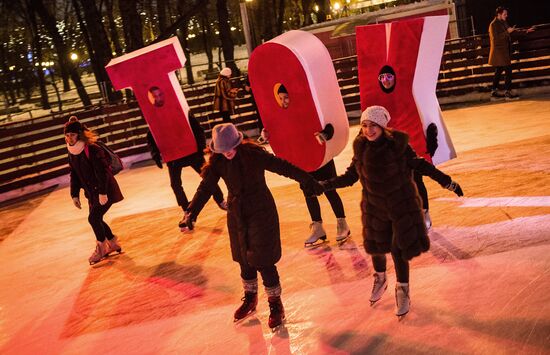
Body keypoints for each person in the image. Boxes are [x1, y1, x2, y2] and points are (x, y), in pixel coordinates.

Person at [318, 106, 463, 318]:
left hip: (400, 206)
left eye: (373, 126)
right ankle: (380, 278)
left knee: (397, 249)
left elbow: (422, 166)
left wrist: (447, 182)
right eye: (365, 125)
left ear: (383, 126)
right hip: (374, 208)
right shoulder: (362, 148)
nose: (368, 130)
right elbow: (350, 177)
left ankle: (403, 289)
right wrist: (323, 185)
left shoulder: (398, 147)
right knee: (376, 248)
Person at [180, 123, 323, 329]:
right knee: (243, 259)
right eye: (222, 149)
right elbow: (205, 188)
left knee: (263, 259)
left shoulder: (253, 155)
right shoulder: (219, 161)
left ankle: (275, 304)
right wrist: (191, 213)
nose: (227, 152)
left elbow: (283, 166)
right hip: (237, 214)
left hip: (260, 210)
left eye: (230, 147)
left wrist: (308, 180)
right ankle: (250, 298)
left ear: (238, 142)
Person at [147, 112, 227, 229]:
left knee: (208, 177)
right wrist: (155, 155)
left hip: (193, 153)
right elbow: (151, 138)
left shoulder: (182, 112)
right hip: (174, 157)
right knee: (175, 185)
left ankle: (220, 200)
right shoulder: (156, 120)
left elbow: (198, 129)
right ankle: (187, 211)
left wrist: (200, 147)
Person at [65, 116, 124, 265]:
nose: (69, 138)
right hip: (92, 193)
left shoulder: (92, 148)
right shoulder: (72, 152)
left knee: (93, 218)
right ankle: (112, 242)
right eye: (66, 135)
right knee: (97, 218)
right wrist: (74, 194)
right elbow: (74, 174)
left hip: (105, 190)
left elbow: (103, 172)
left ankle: (101, 247)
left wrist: (103, 193)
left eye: (72, 135)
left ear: (79, 134)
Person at [489, 7, 534, 100]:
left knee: (499, 71)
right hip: (499, 52)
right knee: (508, 70)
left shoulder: (503, 22)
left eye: (506, 14)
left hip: (504, 51)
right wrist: (507, 32)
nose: (506, 16)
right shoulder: (493, 25)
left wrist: (525, 31)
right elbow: (495, 39)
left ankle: (493, 92)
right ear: (499, 14)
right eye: (505, 14)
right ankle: (508, 92)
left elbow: (512, 32)